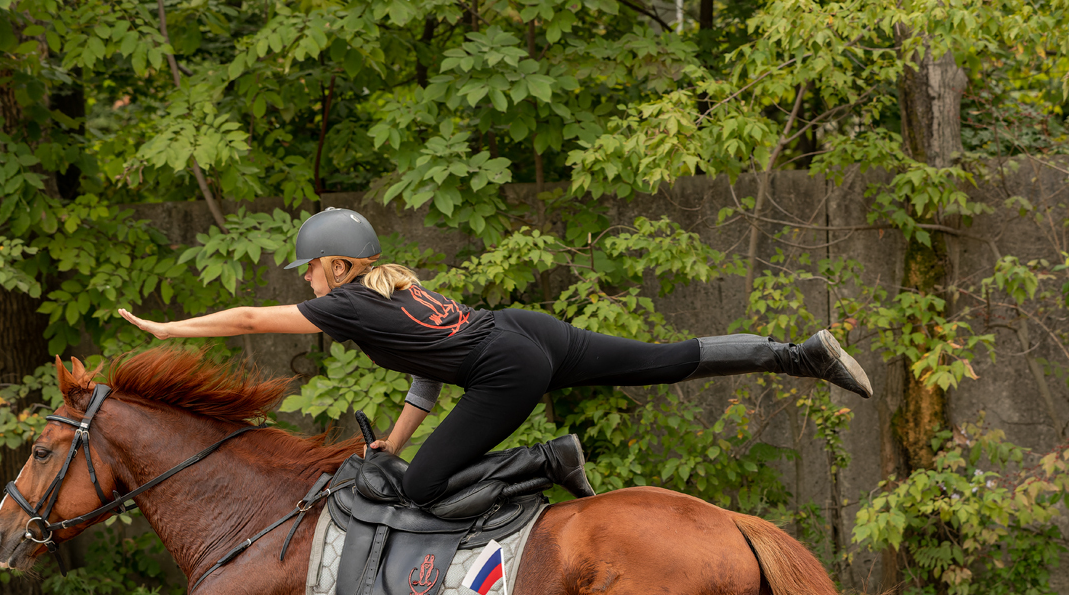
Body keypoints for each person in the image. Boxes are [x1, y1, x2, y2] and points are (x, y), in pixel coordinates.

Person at [119, 207, 872, 507]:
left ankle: (548, 461)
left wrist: (165, 331)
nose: (307, 283)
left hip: (508, 365)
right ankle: (796, 354)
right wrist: (393, 440)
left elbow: (250, 316)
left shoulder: (345, 303)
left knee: (420, 490)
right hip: (526, 331)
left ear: (337, 267)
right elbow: (428, 373)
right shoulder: (400, 286)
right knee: (662, 358)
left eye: (310, 269)